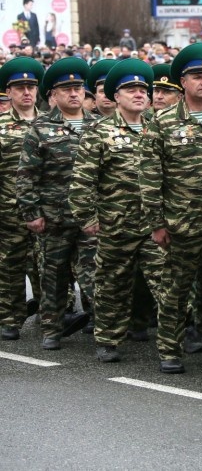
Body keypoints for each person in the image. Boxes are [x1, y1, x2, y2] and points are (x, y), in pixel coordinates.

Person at [139, 43, 202, 375]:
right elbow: (151, 174)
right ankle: (169, 349)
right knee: (175, 289)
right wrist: (156, 222)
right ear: (183, 81)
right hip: (182, 221)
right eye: (198, 76)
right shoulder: (162, 121)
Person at [68, 60, 164, 363]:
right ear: (116, 96)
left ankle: (170, 342)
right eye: (130, 89)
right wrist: (87, 217)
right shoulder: (99, 131)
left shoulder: (158, 126)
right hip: (115, 224)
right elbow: (83, 178)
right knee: (111, 285)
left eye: (142, 89)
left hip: (154, 225)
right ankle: (108, 340)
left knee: (168, 284)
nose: (138, 94)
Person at [16, 57, 96, 350]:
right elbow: (26, 175)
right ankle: (52, 328)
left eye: (78, 88)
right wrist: (31, 212)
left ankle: (104, 329)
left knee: (95, 275)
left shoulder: (98, 125)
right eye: (67, 89)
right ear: (54, 95)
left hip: (90, 218)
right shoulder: (40, 128)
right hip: (54, 218)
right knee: (54, 275)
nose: (74, 93)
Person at [0, 57, 44, 341]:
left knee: (47, 267)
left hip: (45, 210)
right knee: (10, 267)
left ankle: (51, 315)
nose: (26, 92)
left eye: (31, 86)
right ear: (10, 91)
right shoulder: (1, 125)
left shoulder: (50, 123)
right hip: (9, 210)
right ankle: (9, 318)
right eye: (20, 87)